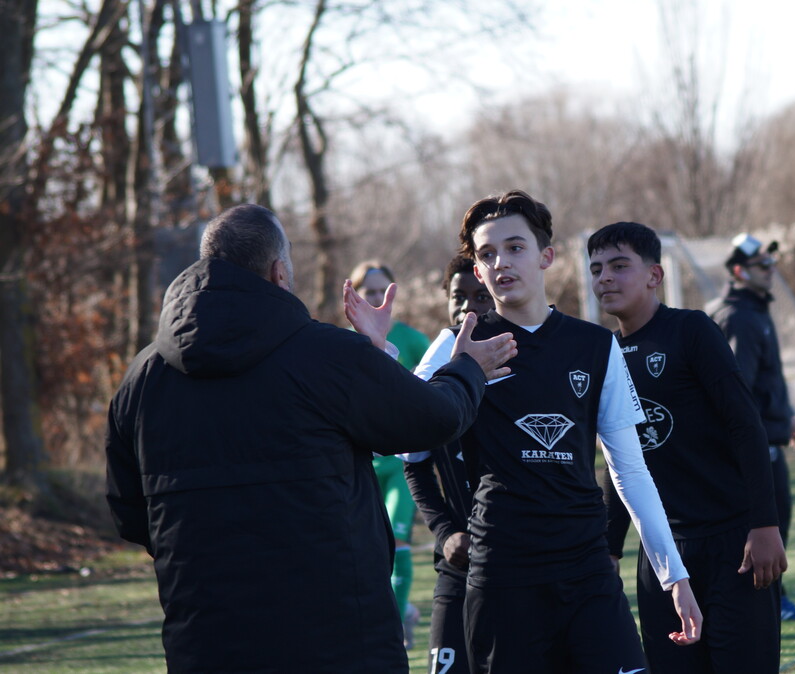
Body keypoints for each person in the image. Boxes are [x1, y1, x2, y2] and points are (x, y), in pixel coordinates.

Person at [104, 203, 516, 673]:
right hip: (339, 639)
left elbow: (129, 512)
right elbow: (434, 419)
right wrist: (467, 368)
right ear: (279, 272)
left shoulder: (141, 378)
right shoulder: (326, 356)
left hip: (205, 641)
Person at [346, 190, 702, 674]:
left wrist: (674, 575)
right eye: (487, 254)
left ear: (545, 257)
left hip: (587, 572)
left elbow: (630, 471)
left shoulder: (595, 345)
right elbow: (403, 436)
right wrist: (378, 350)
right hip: (502, 575)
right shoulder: (458, 343)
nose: (501, 263)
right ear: (477, 272)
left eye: (515, 248)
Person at [589, 221, 787, 673]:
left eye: (619, 266)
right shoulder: (602, 355)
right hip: (662, 553)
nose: (605, 278)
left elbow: (745, 424)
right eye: (597, 269)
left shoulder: (691, 330)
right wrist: (609, 549)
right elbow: (620, 462)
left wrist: (764, 523)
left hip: (733, 544)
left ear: (654, 275)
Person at [707, 232, 795, 622]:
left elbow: (762, 384)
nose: (771, 270)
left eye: (772, 263)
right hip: (752, 447)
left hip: (766, 437)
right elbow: (738, 393)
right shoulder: (738, 316)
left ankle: (774, 601)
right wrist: (764, 431)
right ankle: (766, 606)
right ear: (740, 271)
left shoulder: (752, 310)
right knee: (763, 529)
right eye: (762, 265)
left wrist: (784, 416)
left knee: (774, 524)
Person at [402, 255, 495, 674]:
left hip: (518, 566)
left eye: (481, 296)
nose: (468, 307)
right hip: (457, 565)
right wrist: (445, 533)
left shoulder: (519, 367)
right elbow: (414, 464)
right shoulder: (436, 373)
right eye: (459, 297)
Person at [348, 259, 428, 645]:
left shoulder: (413, 341)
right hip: (358, 465)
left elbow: (436, 393)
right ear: (355, 295)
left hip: (399, 465)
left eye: (383, 290)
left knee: (398, 541)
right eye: (369, 292)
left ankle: (391, 632)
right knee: (363, 549)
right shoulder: (340, 344)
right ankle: (401, 612)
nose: (377, 297)